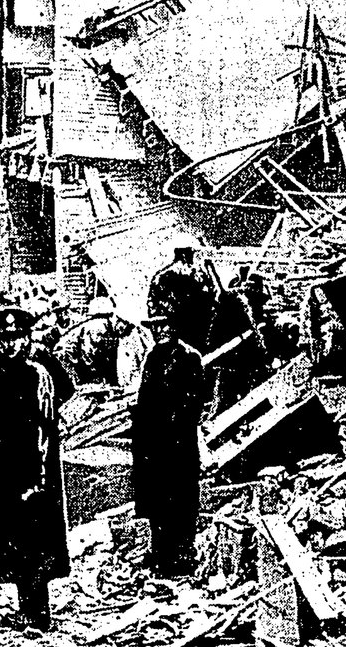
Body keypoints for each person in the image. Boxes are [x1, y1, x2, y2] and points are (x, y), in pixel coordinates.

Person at [0, 307, 75, 632]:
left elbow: (64, 396)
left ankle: (38, 612)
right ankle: (26, 609)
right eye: (3, 339)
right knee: (12, 535)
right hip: (4, 465)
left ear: (27, 336)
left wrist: (38, 473)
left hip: (34, 465)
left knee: (35, 536)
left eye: (15, 337)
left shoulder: (39, 366)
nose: (9, 345)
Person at [132, 315, 210, 577]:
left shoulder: (190, 357)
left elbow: (195, 401)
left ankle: (182, 556)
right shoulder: (153, 357)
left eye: (166, 326)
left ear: (176, 328)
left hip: (179, 442)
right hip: (155, 442)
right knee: (157, 498)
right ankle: (160, 554)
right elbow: (146, 396)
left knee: (182, 498)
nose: (161, 331)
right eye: (156, 327)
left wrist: (172, 420)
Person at [210, 273, 271, 409]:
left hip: (252, 363)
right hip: (236, 364)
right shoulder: (231, 312)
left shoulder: (261, 319)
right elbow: (216, 339)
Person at [147, 243, 219, 352]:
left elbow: (153, 309)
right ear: (185, 254)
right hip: (197, 331)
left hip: (175, 335)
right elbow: (212, 300)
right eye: (192, 253)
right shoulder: (198, 274)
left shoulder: (161, 277)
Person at [54, 296, 138, 386]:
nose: (125, 331)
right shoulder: (98, 326)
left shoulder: (111, 332)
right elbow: (89, 353)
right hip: (66, 358)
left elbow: (110, 360)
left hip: (76, 359)